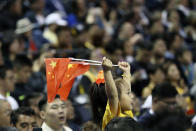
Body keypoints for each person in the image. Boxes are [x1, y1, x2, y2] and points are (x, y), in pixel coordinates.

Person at [90, 57, 134, 130]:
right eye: (128, 94)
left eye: (129, 93)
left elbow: (126, 87)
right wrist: (107, 71)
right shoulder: (113, 116)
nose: (132, 96)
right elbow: (113, 96)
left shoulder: (126, 111)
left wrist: (126, 72)